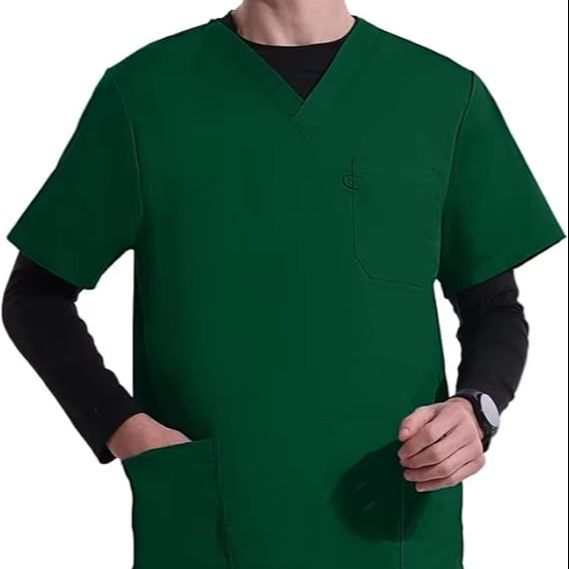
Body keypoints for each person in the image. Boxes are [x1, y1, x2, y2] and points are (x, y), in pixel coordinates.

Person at [2, 2, 565, 568]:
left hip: (390, 519)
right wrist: (124, 429)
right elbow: (36, 297)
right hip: (214, 524)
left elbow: (494, 307)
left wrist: (476, 409)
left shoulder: (443, 95)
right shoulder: (144, 94)